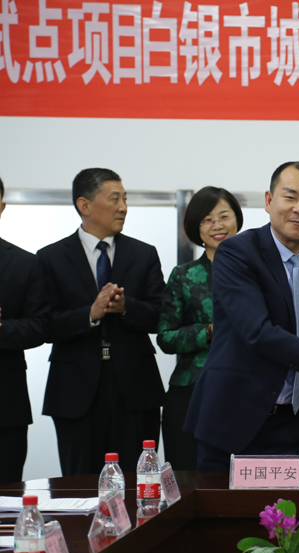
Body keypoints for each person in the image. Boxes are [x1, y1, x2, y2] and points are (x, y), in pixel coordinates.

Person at [184, 161, 299, 472]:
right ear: (269, 201)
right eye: (290, 197)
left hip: (296, 425)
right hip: (234, 422)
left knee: (289, 506)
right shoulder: (237, 252)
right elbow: (257, 332)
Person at [37, 168, 166, 476]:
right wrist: (90, 314)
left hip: (135, 386)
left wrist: (125, 307)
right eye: (114, 199)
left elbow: (162, 315)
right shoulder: (50, 257)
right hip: (74, 389)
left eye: (125, 199)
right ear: (85, 205)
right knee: (79, 482)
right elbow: (43, 324)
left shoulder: (143, 253)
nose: (123, 207)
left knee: (137, 480)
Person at [157, 187, 244, 471]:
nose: (217, 225)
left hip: (245, 389)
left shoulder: (258, 272)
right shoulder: (183, 275)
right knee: (187, 478)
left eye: (224, 216)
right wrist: (206, 332)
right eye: (207, 219)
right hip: (191, 391)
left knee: (240, 478)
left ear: (237, 219)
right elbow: (165, 337)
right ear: (196, 227)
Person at [0, 177, 50, 484]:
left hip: (5, 407)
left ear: (2, 207)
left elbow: (40, 325)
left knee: (5, 495)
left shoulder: (24, 263)